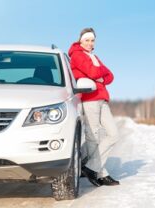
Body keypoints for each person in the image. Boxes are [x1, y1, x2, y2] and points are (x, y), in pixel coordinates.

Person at [68, 27, 119, 186]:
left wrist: (100, 73)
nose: (90, 43)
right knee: (93, 136)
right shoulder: (76, 55)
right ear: (80, 40)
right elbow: (95, 72)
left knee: (113, 134)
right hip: (89, 98)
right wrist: (100, 73)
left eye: (92, 40)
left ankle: (90, 167)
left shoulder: (93, 56)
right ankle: (101, 173)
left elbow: (110, 76)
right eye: (87, 40)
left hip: (102, 98)